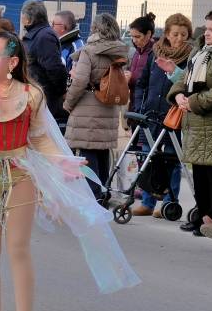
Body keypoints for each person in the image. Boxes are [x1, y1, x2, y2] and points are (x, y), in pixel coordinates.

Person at [0, 32, 139, 311]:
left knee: (18, 248)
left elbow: (39, 138)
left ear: (12, 62)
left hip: (20, 174)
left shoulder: (30, 95)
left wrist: (61, 162)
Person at [167, 8, 212, 235]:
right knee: (198, 171)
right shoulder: (199, 52)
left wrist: (193, 102)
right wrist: (178, 95)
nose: (206, 33)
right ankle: (201, 216)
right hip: (194, 121)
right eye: (206, 28)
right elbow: (184, 79)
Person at [133, 12, 193, 217]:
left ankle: (169, 202)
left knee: (171, 159)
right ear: (166, 34)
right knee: (149, 157)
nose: (179, 38)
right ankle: (148, 201)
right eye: (175, 34)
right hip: (151, 113)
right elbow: (142, 83)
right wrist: (140, 105)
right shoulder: (154, 53)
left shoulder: (190, 57)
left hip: (174, 115)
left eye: (183, 34)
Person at [64, 13, 129, 200]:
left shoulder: (89, 51)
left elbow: (80, 81)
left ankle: (92, 196)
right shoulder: (119, 51)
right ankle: (103, 191)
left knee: (86, 152)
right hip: (108, 106)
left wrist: (68, 103)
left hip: (87, 106)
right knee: (102, 151)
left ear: (95, 29)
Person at [20, 0, 69, 124]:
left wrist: (61, 92)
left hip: (45, 98)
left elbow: (55, 69)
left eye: (23, 15)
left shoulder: (44, 36)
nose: (21, 18)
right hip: (37, 95)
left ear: (29, 18)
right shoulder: (37, 34)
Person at [127, 13, 157, 115]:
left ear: (148, 34)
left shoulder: (155, 54)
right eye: (132, 36)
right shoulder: (137, 52)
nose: (134, 40)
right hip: (134, 101)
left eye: (137, 36)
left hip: (146, 105)